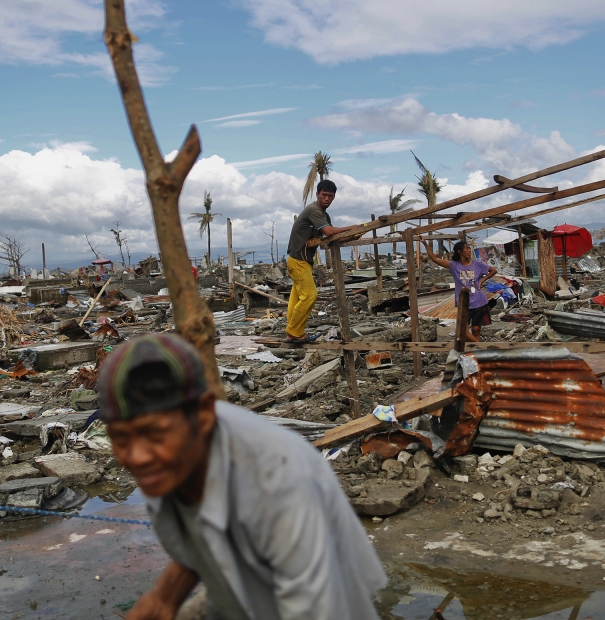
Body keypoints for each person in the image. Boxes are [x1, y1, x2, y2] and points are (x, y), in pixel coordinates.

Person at [101, 334, 387, 620]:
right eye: (120, 438)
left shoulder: (278, 482)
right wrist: (163, 598)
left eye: (155, 434)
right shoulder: (172, 460)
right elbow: (199, 529)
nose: (137, 457)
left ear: (203, 415)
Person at [283, 179, 361, 343]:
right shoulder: (314, 210)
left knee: (297, 299)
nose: (327, 199)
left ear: (333, 197)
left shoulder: (323, 215)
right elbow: (330, 230)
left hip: (300, 260)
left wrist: (355, 234)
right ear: (317, 194)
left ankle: (292, 333)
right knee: (310, 295)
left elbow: (332, 237)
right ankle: (295, 332)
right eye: (324, 195)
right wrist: (352, 227)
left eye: (330, 196)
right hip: (298, 260)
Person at [422, 240, 497, 342]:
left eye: (469, 248)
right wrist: (425, 244)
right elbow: (435, 259)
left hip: (479, 301)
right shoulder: (454, 265)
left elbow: (493, 270)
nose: (469, 250)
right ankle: (480, 348)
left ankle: (475, 353)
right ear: (459, 251)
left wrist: (482, 280)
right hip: (464, 304)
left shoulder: (477, 264)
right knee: (463, 332)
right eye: (467, 248)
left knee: (476, 330)